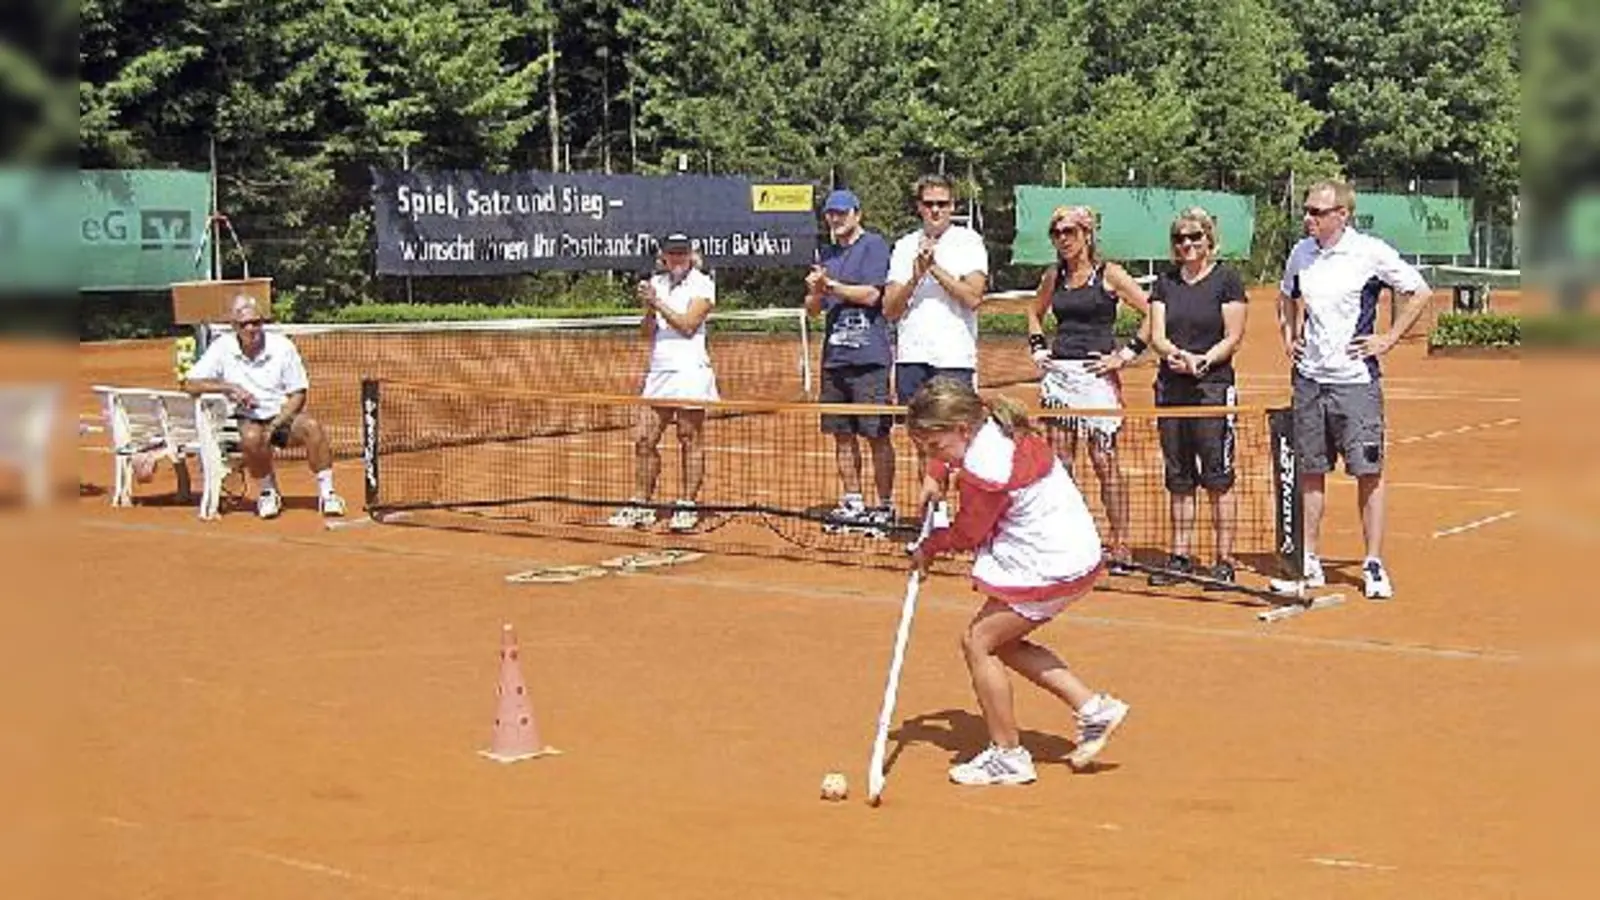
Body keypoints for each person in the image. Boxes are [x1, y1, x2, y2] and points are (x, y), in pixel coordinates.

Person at [907, 376, 1130, 786]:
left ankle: (1008, 755)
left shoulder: (986, 469)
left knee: (978, 643)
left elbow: (968, 534)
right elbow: (950, 450)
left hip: (1050, 563)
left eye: (935, 447)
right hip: (1075, 551)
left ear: (961, 430)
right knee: (1002, 642)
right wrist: (935, 471)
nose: (933, 455)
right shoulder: (993, 421)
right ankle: (1093, 708)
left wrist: (927, 548)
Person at [1271, 180, 1433, 600]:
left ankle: (1373, 564)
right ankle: (1309, 563)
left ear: (1342, 214)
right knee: (1310, 472)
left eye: (1317, 212)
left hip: (1356, 384)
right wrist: (1290, 336)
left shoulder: (1369, 252)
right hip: (1309, 380)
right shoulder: (1300, 253)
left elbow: (1418, 291)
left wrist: (1388, 339)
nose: (1308, 218)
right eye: (1307, 211)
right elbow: (1285, 296)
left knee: (1368, 473)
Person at [1024, 205, 1152, 574]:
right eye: (1057, 233)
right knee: (1061, 462)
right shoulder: (1053, 275)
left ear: (1087, 234)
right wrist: (1037, 347)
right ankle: (1069, 539)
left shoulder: (1109, 274)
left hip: (1096, 378)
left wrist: (1125, 355)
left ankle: (1121, 543)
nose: (1063, 239)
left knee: (1104, 461)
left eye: (1070, 232)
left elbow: (1153, 312)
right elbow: (1034, 312)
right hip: (1060, 377)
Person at [1146, 207, 1248, 587]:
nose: (1186, 245)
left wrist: (1203, 361)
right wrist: (1174, 355)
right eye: (1179, 239)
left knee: (1217, 476)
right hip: (1171, 389)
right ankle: (1180, 556)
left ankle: (1224, 560)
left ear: (1208, 240)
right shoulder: (1165, 283)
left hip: (1212, 389)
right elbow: (1157, 334)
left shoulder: (1227, 280)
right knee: (1178, 475)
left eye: (1194, 238)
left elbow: (1233, 335)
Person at [181, 295, 345, 519]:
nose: (251, 328)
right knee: (250, 437)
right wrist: (229, 388)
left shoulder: (283, 346)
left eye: (256, 322)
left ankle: (328, 494)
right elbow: (189, 384)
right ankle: (268, 492)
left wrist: (278, 423)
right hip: (245, 418)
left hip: (281, 416)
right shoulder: (221, 347)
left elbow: (298, 394)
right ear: (234, 326)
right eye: (244, 324)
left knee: (312, 427)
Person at [608, 233, 719, 533]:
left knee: (689, 437)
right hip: (659, 372)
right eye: (673, 254)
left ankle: (686, 505)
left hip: (690, 372)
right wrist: (648, 307)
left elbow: (687, 325)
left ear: (691, 255)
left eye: (683, 254)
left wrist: (657, 302)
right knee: (644, 438)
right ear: (664, 256)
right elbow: (646, 333)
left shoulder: (703, 284)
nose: (678, 259)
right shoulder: (657, 283)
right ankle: (641, 503)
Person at [804, 189, 896, 535]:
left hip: (870, 358)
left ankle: (885, 505)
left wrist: (831, 285)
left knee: (876, 435)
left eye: (842, 213)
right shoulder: (825, 253)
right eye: (830, 213)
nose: (836, 219)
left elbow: (873, 294)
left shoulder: (873, 246)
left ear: (857, 214)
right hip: (835, 359)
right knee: (841, 434)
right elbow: (812, 310)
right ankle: (853, 500)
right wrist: (816, 290)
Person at [883, 173, 989, 474]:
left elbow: (973, 297)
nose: (936, 210)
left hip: (953, 358)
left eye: (942, 204)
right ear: (919, 207)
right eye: (929, 204)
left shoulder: (969, 242)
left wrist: (934, 269)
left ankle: (967, 516)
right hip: (912, 357)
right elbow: (890, 309)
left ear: (953, 205)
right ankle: (933, 515)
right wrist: (916, 276)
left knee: (961, 442)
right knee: (923, 443)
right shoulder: (904, 246)